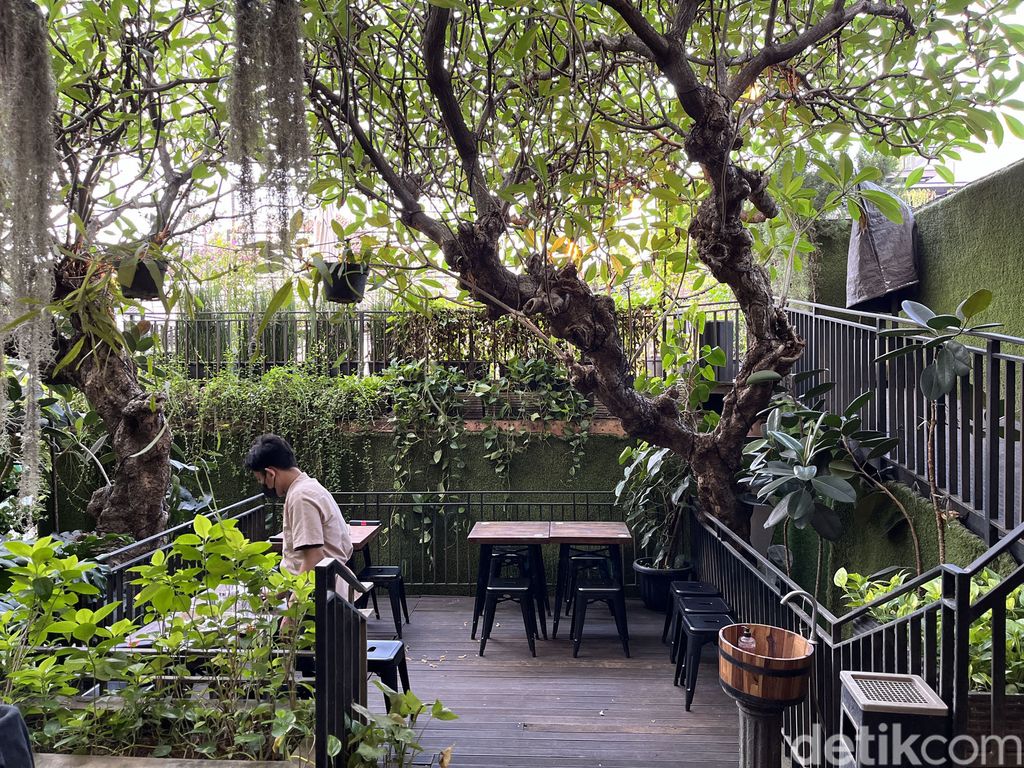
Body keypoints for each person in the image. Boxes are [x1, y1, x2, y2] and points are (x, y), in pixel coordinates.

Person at [243, 433, 353, 575]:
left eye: (260, 480)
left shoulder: (301, 497)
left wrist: (293, 597)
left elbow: (313, 560)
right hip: (327, 585)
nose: (263, 485)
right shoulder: (309, 487)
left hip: (319, 592)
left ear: (271, 473)